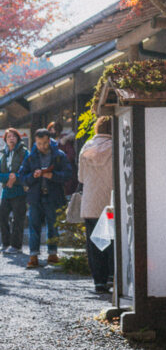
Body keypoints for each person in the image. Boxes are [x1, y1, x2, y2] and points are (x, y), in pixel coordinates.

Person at [18, 128, 72, 269]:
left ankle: (52, 254)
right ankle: (33, 256)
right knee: (33, 226)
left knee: (52, 226)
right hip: (35, 196)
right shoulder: (30, 157)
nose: (42, 146)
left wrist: (52, 176)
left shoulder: (59, 155)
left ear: (49, 140)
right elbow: (22, 177)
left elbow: (68, 174)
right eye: (39, 143)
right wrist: (32, 177)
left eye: (44, 143)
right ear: (35, 142)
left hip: (53, 196)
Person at [78, 116, 114, 295]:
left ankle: (99, 282)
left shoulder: (86, 147)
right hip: (111, 203)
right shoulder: (117, 146)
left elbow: (81, 178)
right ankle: (113, 278)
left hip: (91, 203)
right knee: (112, 240)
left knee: (94, 243)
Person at [0, 128, 28, 252]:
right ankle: (5, 243)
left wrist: (14, 178)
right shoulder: (3, 154)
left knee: (18, 219)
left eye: (13, 136)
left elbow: (26, 170)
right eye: (8, 137)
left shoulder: (24, 152)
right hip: (6, 191)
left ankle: (16, 246)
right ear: (5, 140)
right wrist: (8, 178)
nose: (11, 139)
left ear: (17, 138)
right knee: (2, 216)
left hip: (20, 191)